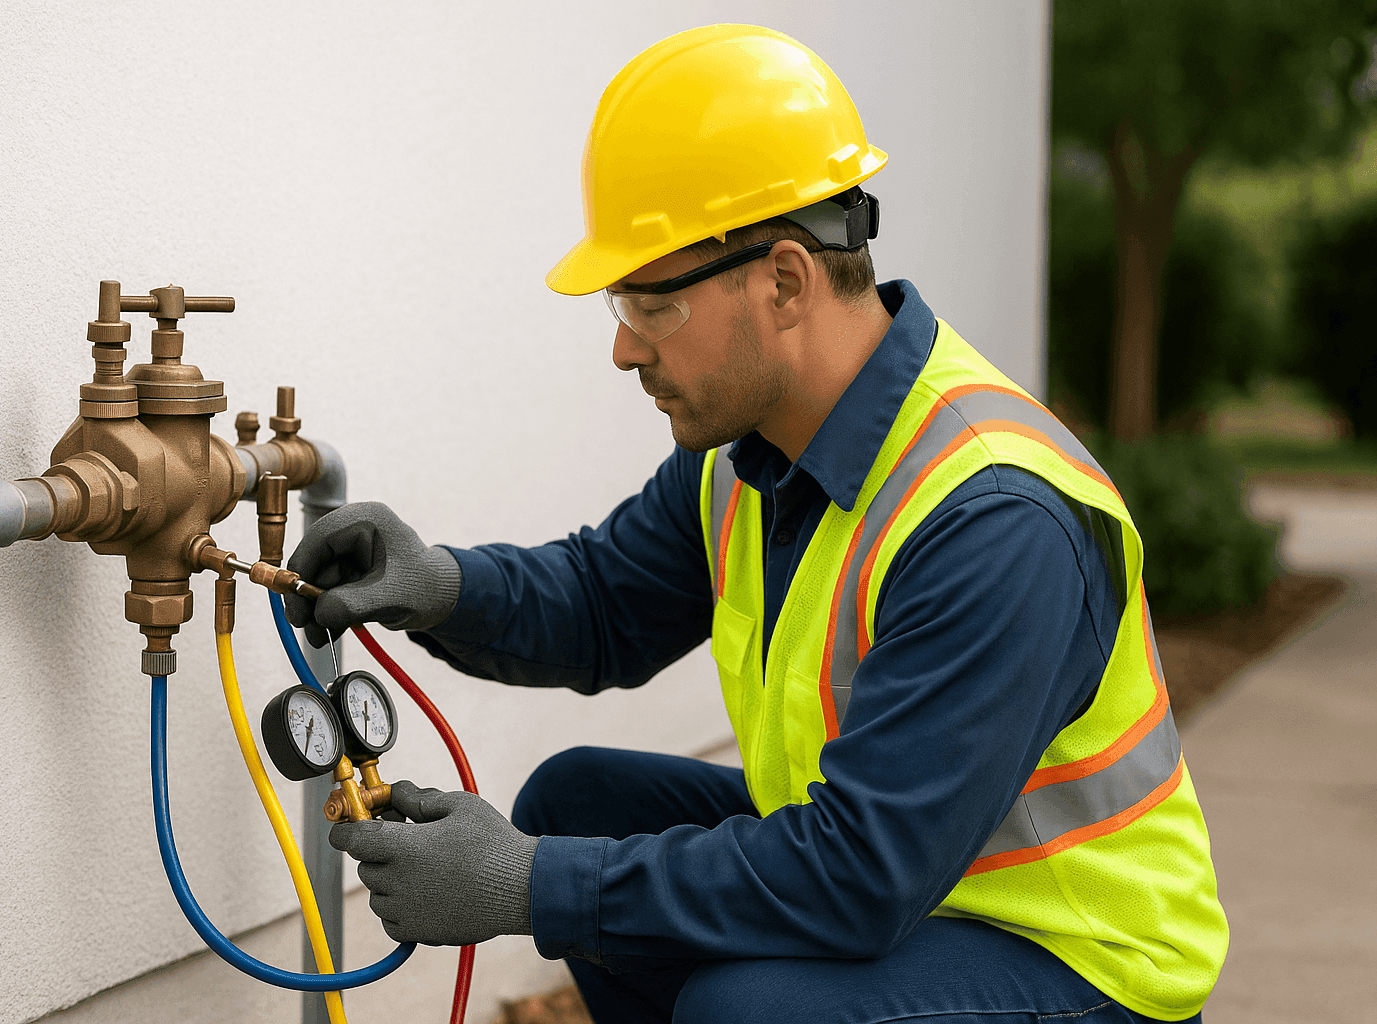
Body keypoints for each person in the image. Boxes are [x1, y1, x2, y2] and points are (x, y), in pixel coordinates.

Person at [283, 24, 1228, 1024]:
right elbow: (606, 603)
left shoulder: (991, 518)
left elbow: (858, 876)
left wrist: (527, 885)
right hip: (920, 885)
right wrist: (443, 584)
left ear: (783, 279)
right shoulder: (748, 454)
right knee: (578, 804)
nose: (621, 347)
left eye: (652, 303)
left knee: (749, 1010)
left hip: (1079, 960)